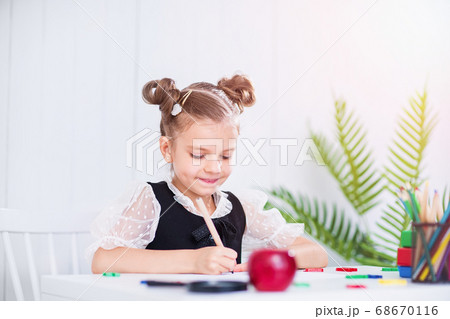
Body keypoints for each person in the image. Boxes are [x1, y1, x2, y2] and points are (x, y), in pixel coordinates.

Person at [87, 74, 328, 275]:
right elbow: (103, 261)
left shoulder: (239, 207)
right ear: (167, 149)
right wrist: (193, 262)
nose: (214, 168)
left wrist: (262, 262)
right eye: (199, 155)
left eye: (224, 156)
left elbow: (316, 255)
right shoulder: (153, 201)